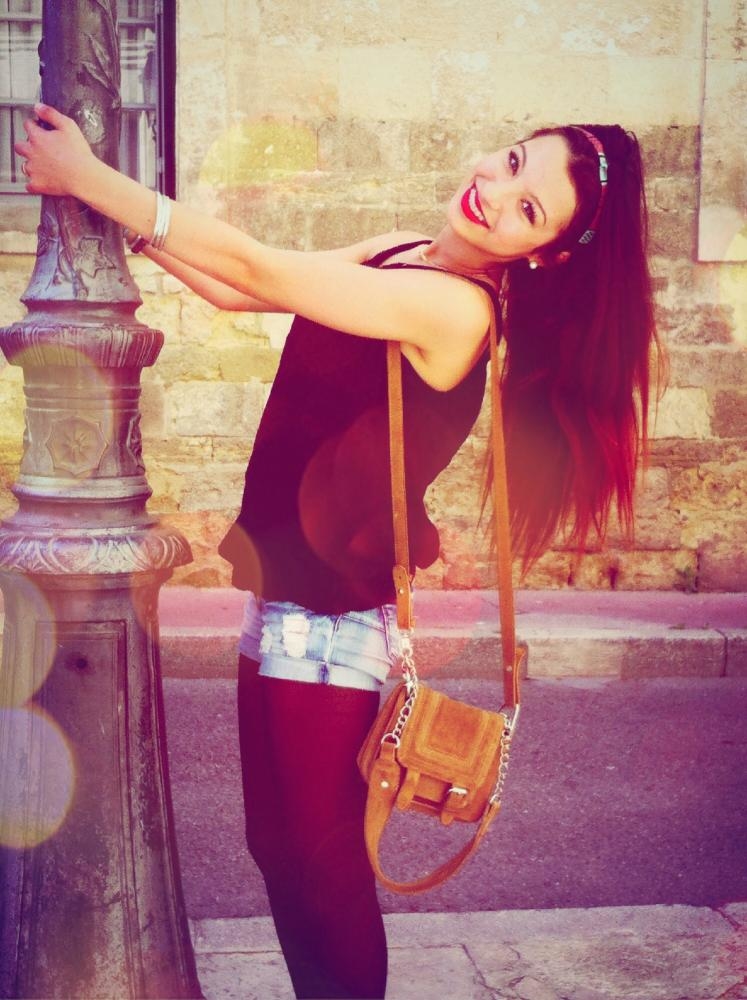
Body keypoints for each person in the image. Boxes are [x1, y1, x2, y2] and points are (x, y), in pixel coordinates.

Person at [16, 105, 657, 999]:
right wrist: (126, 227)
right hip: (287, 597)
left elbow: (256, 264)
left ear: (542, 254)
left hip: (330, 622)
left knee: (323, 870)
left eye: (527, 210)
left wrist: (91, 180)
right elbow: (245, 291)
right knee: (276, 851)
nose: (495, 192)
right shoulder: (404, 253)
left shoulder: (456, 308)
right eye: (513, 163)